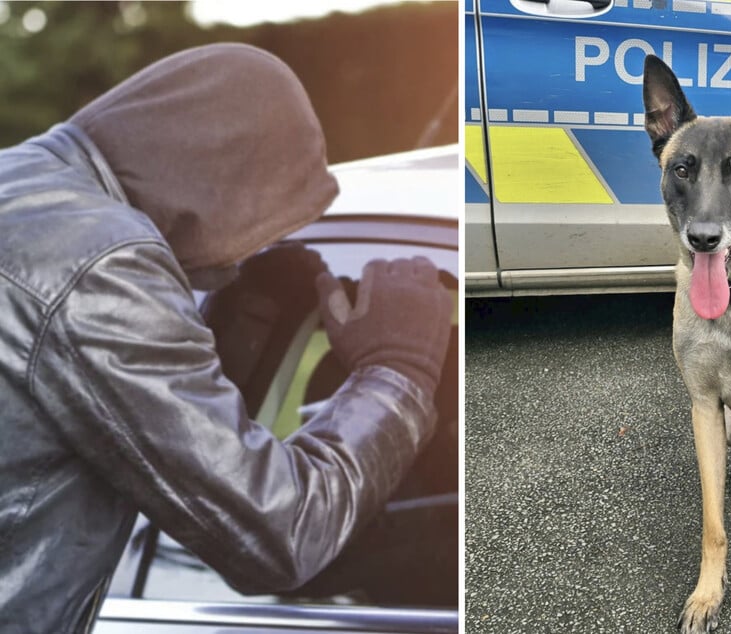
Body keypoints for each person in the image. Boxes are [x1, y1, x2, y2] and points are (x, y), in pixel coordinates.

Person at [0, 43, 453, 633]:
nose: (233, 270)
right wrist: (398, 372)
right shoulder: (101, 263)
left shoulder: (23, 186)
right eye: (256, 233)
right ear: (223, 178)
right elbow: (278, 531)